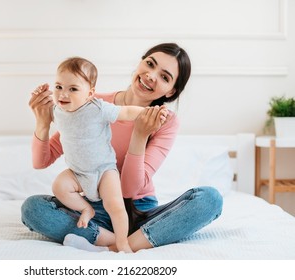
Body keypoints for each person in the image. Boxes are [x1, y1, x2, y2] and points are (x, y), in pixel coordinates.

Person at [22, 43, 223, 253]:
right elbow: (41, 161)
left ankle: (114, 246)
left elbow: (128, 189)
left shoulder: (166, 121)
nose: (151, 75)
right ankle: (127, 239)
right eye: (150, 64)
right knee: (33, 209)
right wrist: (42, 123)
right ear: (140, 63)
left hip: (140, 210)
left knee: (209, 199)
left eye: (164, 77)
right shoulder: (91, 102)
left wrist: (140, 134)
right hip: (95, 208)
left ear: (171, 90)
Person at [32, 57, 161, 253]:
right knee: (59, 186)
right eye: (58, 86)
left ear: (90, 93)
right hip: (78, 173)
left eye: (73, 89)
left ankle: (122, 243)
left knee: (115, 205)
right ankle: (86, 209)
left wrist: (147, 112)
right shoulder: (57, 111)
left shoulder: (97, 108)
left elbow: (125, 112)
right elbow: (41, 157)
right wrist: (39, 101)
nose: (63, 94)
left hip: (104, 171)